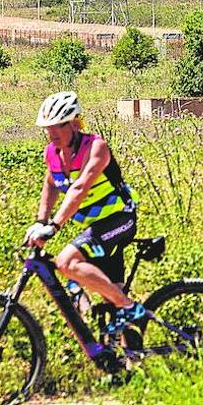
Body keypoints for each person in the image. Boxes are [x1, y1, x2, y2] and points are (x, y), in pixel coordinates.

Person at [24, 91, 145, 334]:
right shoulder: (53, 153)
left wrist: (54, 226)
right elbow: (51, 183)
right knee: (112, 298)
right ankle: (131, 363)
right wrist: (40, 221)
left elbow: (79, 188)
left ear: (75, 123)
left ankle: (131, 307)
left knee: (67, 262)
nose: (53, 132)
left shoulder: (96, 148)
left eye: (59, 125)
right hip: (95, 229)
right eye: (48, 127)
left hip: (119, 220)